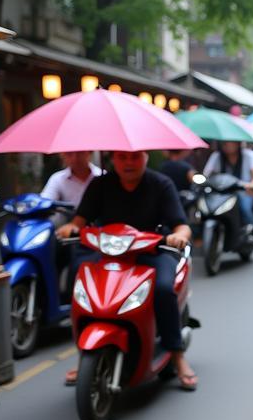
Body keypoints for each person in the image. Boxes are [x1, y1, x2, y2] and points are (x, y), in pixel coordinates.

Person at [57, 151, 197, 390]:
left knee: (163, 290)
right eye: (122, 158)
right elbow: (79, 221)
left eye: (134, 157)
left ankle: (176, 355)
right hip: (110, 253)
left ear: (145, 157)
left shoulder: (161, 184)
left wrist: (179, 236)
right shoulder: (100, 184)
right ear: (113, 160)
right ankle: (84, 356)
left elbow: (182, 226)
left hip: (153, 251)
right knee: (79, 280)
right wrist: (69, 228)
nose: (128, 163)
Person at [204, 140, 253, 232]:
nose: (225, 144)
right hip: (222, 192)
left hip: (244, 190)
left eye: (229, 142)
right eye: (224, 142)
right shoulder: (217, 156)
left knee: (244, 208)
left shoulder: (250, 155)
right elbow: (207, 174)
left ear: (237, 143)